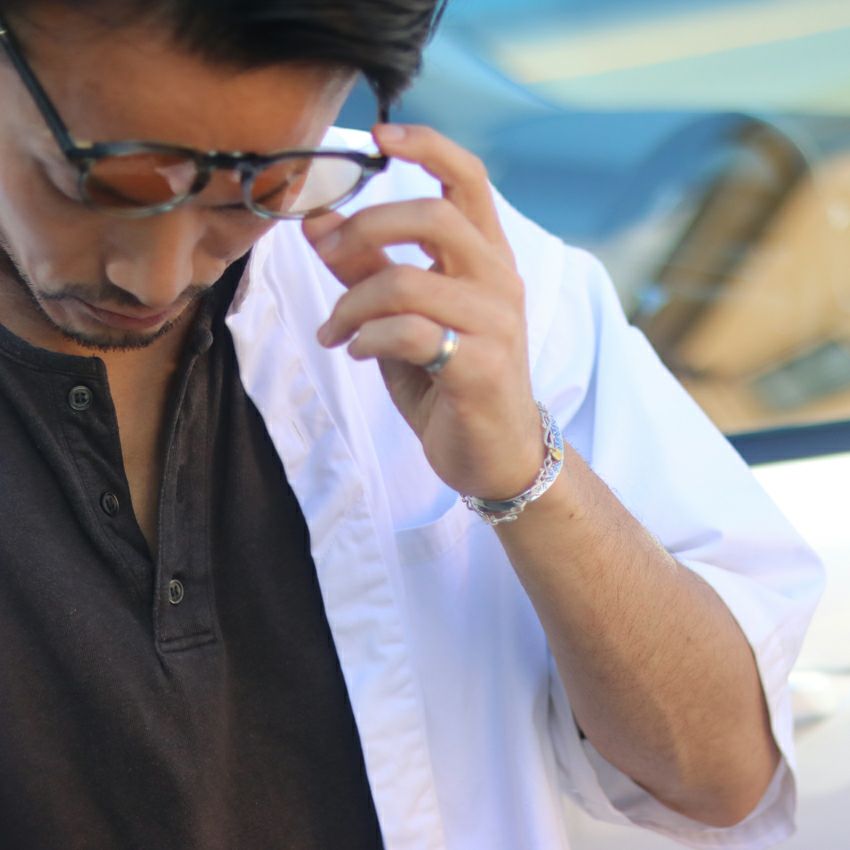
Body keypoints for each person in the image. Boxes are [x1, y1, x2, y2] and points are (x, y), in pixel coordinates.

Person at [0, 1, 823, 849]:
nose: (157, 276)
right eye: (101, 182)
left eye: (260, 190)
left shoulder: (453, 274)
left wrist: (523, 469)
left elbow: (720, 781)